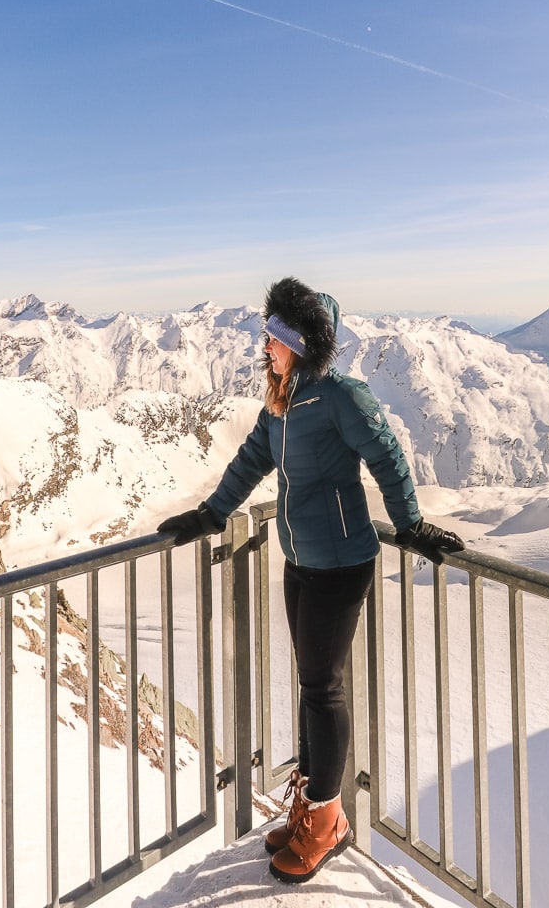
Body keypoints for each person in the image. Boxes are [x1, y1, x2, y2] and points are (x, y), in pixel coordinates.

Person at [158, 276, 464, 883]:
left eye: (272, 337)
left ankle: (327, 822)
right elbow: (251, 459)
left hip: (343, 562)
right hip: (300, 560)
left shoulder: (341, 396)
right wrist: (212, 514)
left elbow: (388, 458)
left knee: (324, 690)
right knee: (310, 686)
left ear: (298, 342)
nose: (263, 347)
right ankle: (311, 806)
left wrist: (411, 526)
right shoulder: (281, 401)